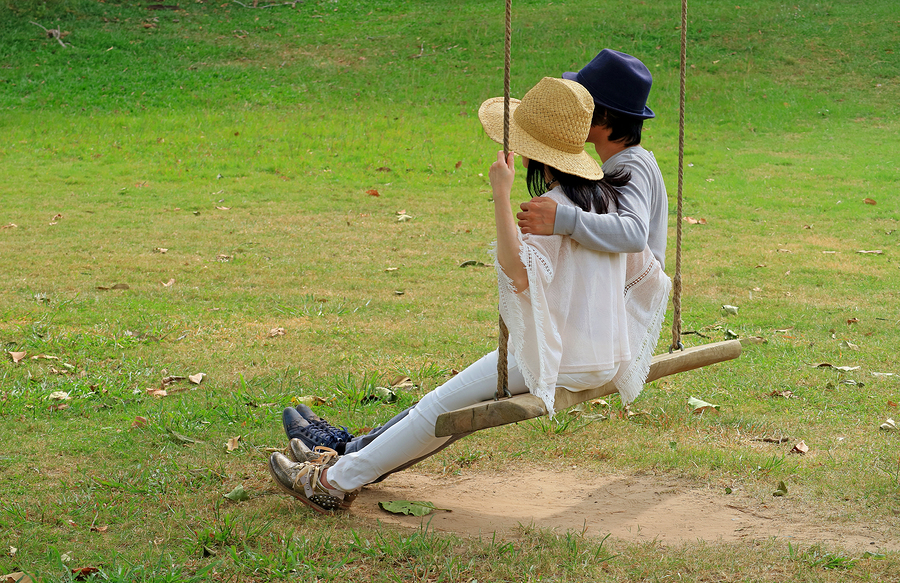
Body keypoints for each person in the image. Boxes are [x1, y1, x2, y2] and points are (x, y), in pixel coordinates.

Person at [268, 77, 670, 514]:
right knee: (446, 409)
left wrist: (501, 194)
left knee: (435, 409)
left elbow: (517, 273)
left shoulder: (551, 209)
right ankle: (345, 462)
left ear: (534, 153)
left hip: (559, 360)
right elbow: (644, 270)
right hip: (605, 355)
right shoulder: (608, 200)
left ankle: (330, 482)